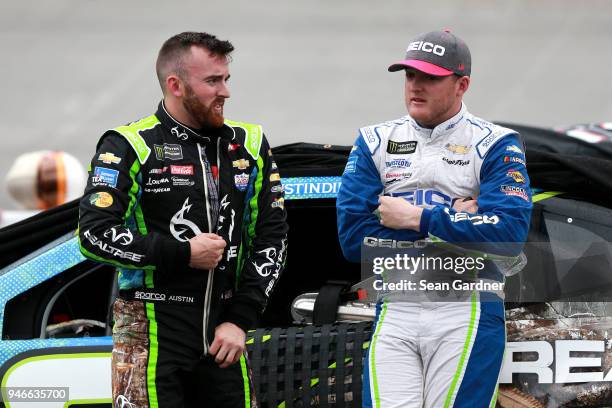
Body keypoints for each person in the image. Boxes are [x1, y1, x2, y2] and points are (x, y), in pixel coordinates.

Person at [78, 31, 288, 407]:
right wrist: (182, 252)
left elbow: (272, 238)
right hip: (149, 329)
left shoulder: (250, 144)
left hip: (224, 332)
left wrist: (240, 318)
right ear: (175, 85)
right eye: (212, 81)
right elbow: (94, 235)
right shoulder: (129, 145)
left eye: (226, 79)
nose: (225, 91)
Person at [336, 30, 532, 407]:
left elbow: (508, 235)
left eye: (430, 77)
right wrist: (459, 220)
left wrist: (417, 217)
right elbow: (354, 241)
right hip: (396, 306)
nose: (416, 86)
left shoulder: (497, 143)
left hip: (468, 307)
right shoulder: (374, 141)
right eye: (410, 75)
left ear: (462, 85)